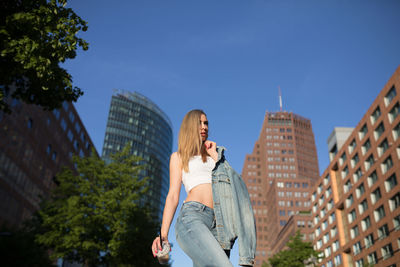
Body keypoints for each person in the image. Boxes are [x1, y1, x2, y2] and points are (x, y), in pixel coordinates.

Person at [151, 109, 256, 267]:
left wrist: (216, 156)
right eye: (199, 123)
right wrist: (163, 233)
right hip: (193, 216)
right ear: (190, 127)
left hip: (221, 226)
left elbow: (235, 186)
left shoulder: (215, 156)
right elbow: (173, 196)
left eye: (206, 123)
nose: (204, 127)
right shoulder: (179, 157)